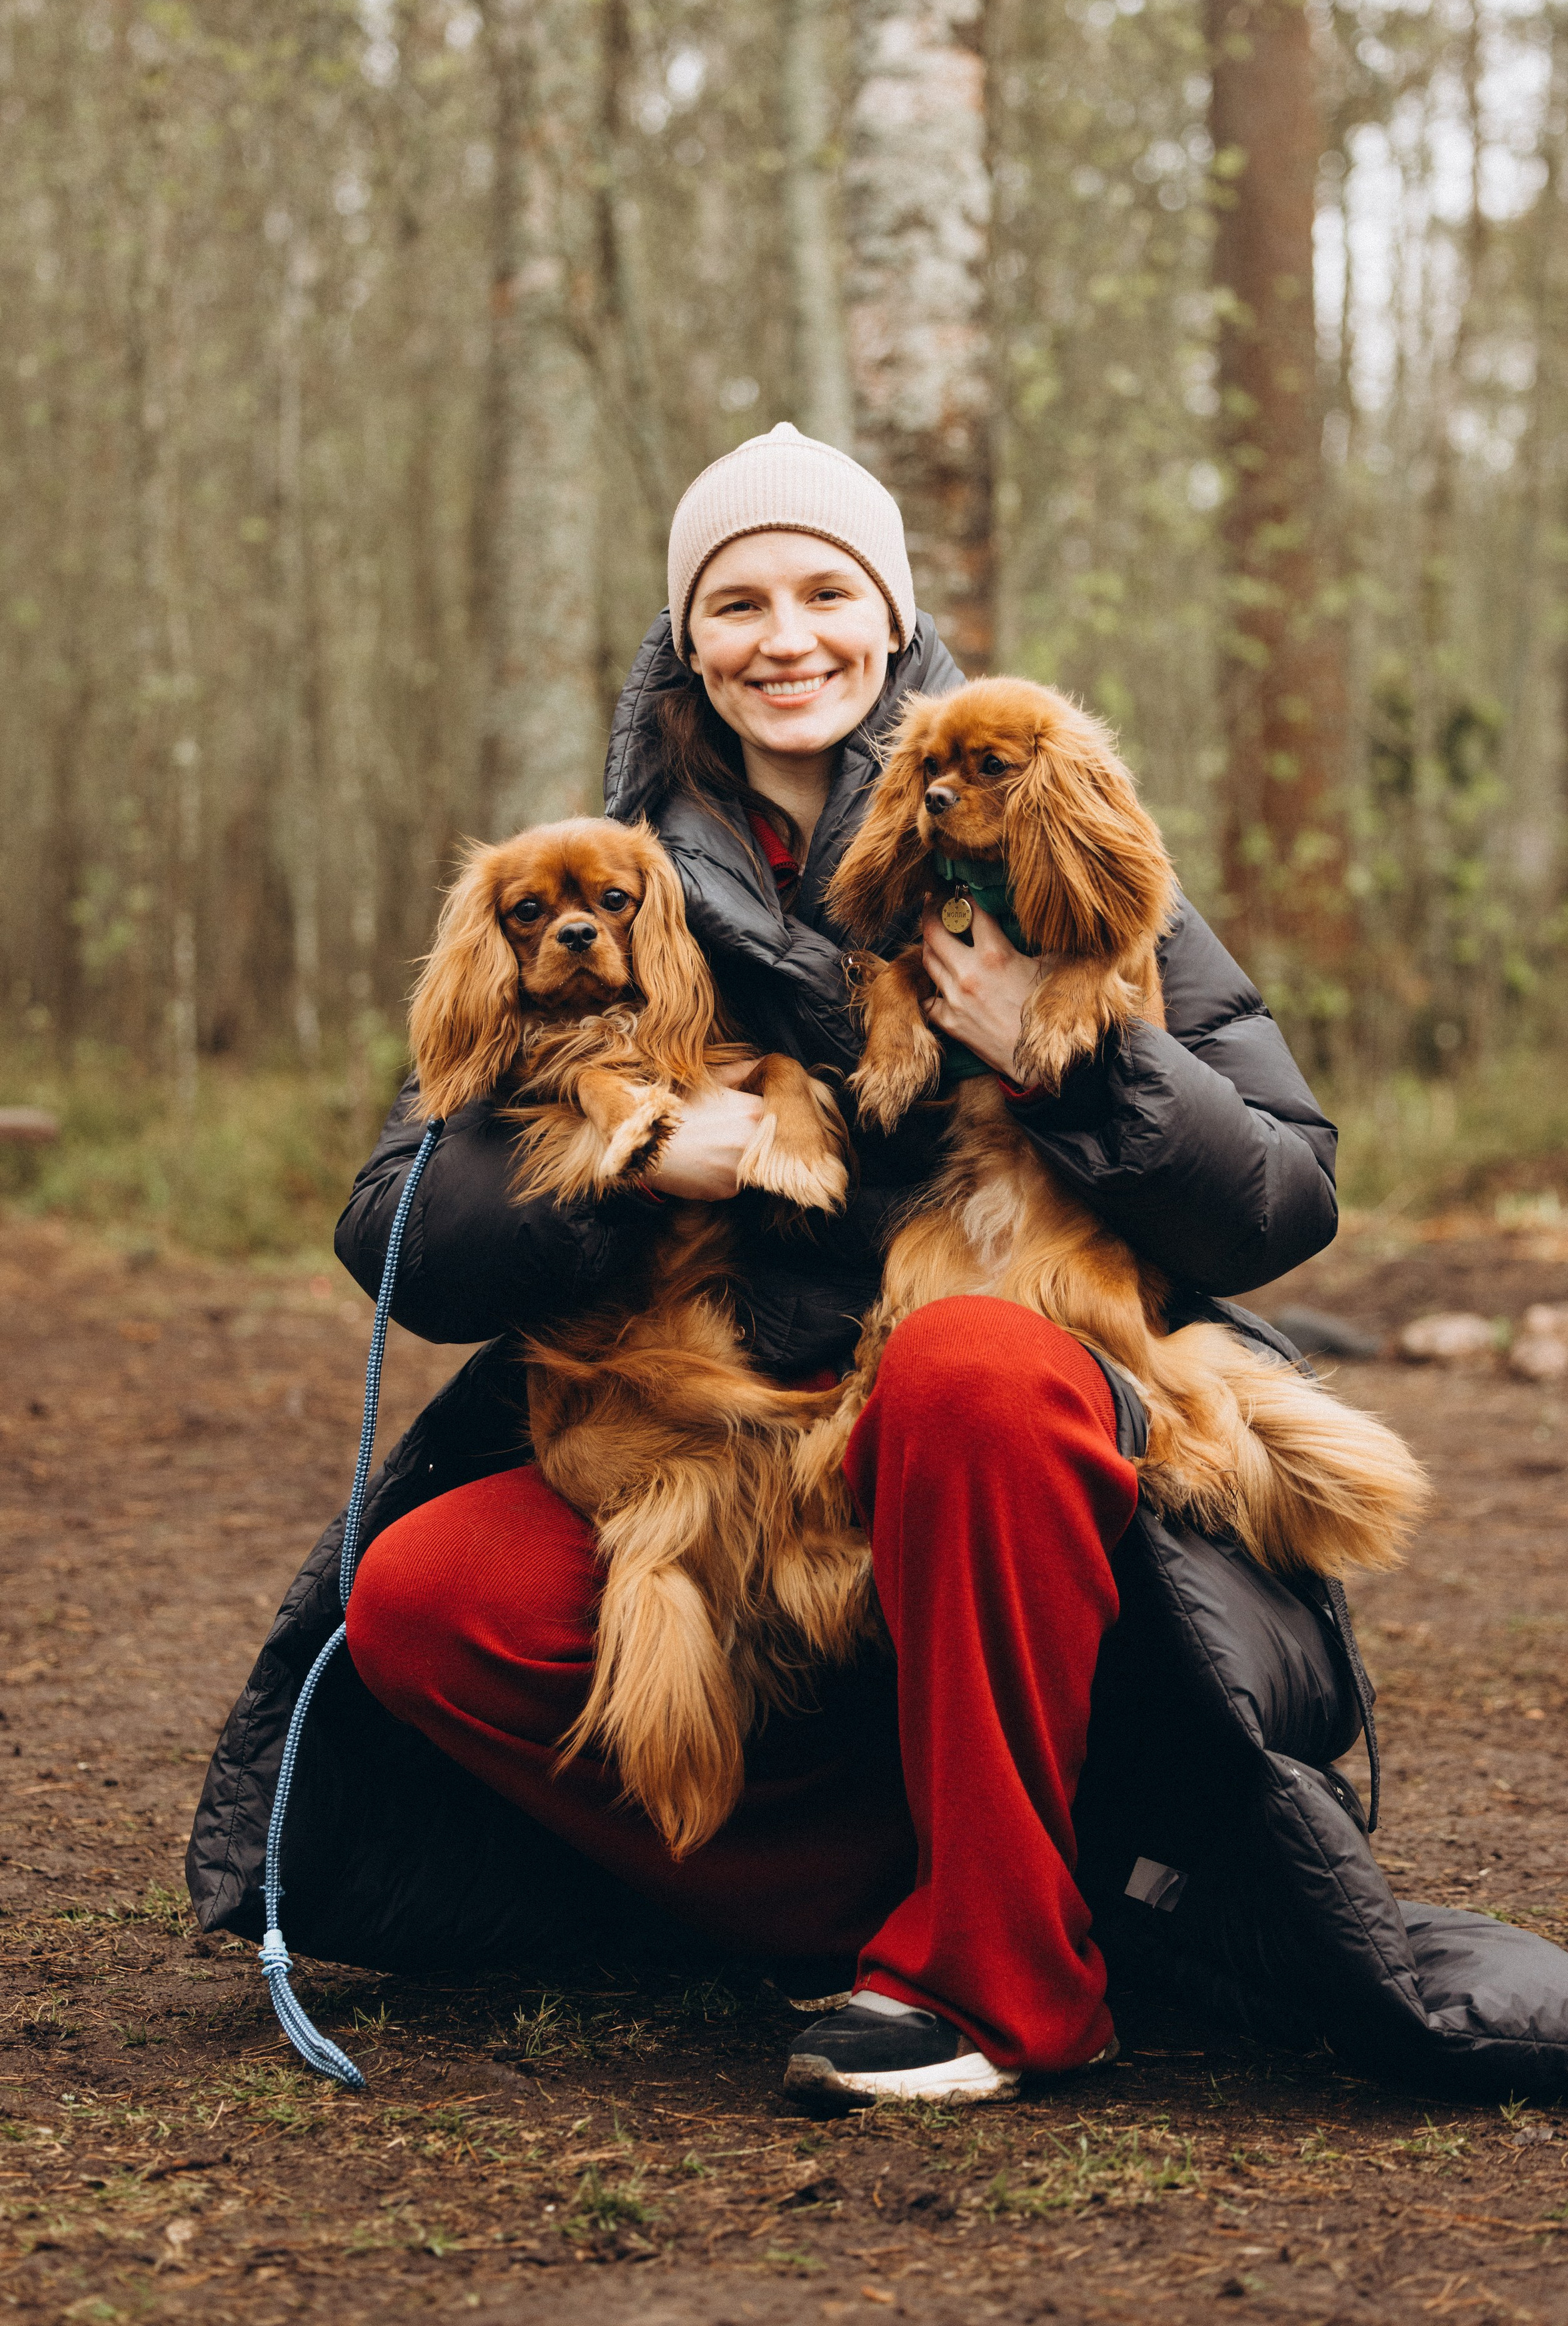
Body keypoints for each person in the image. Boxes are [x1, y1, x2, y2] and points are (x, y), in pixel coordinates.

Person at [241, 425, 1346, 2105]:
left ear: (890, 614)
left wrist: (1067, 1063)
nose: (785, 636)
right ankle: (904, 1901)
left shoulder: (1038, 812)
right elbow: (399, 1230)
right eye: (737, 601)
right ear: (686, 636)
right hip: (720, 1436)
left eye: (826, 590)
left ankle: (1000, 1979)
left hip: (986, 1441)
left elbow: (1281, 1193)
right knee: (424, 1597)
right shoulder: (600, 871)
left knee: (970, 1369)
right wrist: (640, 1166)